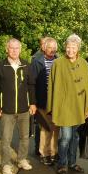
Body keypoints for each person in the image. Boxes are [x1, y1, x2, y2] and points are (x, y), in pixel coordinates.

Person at [47, 34, 88, 174]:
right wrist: (52, 107)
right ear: (65, 47)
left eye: (73, 47)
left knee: (75, 137)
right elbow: (52, 86)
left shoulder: (84, 64)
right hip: (64, 108)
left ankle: (72, 163)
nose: (70, 50)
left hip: (79, 107)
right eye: (68, 47)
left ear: (78, 48)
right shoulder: (58, 63)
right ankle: (62, 164)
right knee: (65, 137)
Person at [0, 38, 37, 174]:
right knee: (6, 139)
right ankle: (6, 164)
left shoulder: (26, 66)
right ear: (7, 49)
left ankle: (21, 159)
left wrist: (33, 103)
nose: (14, 50)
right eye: (11, 48)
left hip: (24, 110)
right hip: (7, 111)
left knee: (24, 137)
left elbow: (31, 86)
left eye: (17, 48)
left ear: (20, 50)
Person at [31, 37, 59, 166]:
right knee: (46, 127)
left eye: (54, 47)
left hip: (57, 101)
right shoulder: (37, 61)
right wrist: (33, 102)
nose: (52, 50)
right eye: (50, 47)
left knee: (56, 127)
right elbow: (32, 83)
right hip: (43, 100)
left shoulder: (59, 60)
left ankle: (54, 152)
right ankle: (44, 153)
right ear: (44, 48)